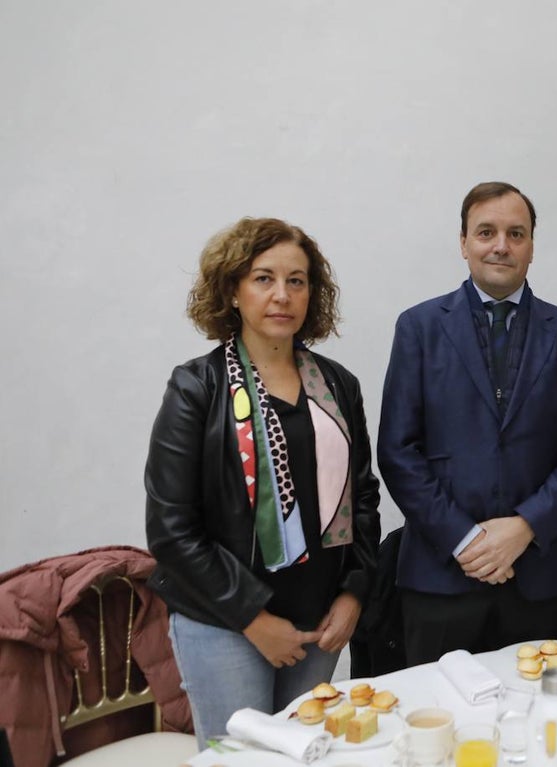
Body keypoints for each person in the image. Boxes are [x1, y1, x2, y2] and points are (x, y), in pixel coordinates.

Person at [145, 218, 381, 746]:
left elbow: (362, 496)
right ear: (232, 290)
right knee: (241, 759)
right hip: (225, 623)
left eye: (297, 281)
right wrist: (253, 618)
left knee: (305, 754)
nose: (282, 295)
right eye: (263, 278)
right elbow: (170, 528)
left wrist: (354, 594)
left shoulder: (338, 385)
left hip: (319, 621)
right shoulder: (196, 388)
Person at [378, 181, 557, 665]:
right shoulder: (418, 328)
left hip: (539, 579)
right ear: (463, 243)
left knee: (541, 727)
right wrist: (467, 540)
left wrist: (525, 527)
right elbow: (398, 451)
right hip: (440, 575)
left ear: (531, 246)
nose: (501, 245)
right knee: (439, 726)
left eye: (515, 233)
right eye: (486, 232)